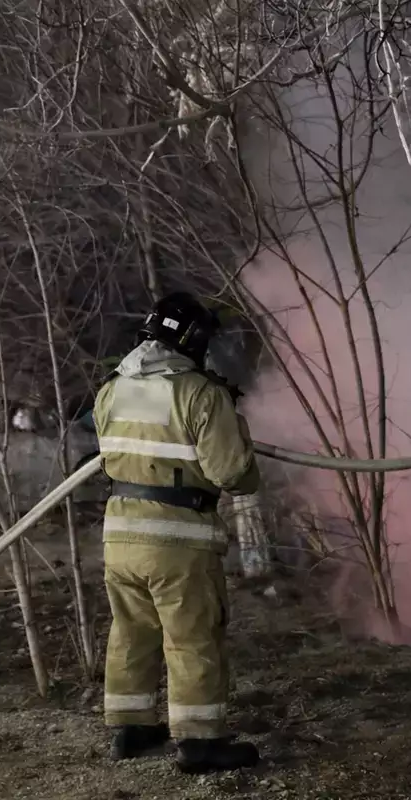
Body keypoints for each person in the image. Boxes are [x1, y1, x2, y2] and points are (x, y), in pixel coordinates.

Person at [93, 291, 262, 774]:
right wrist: (236, 425)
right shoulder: (199, 392)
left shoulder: (111, 388)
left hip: (120, 536)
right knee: (191, 637)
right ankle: (200, 742)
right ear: (194, 341)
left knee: (131, 631)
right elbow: (233, 475)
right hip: (177, 541)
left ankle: (132, 728)